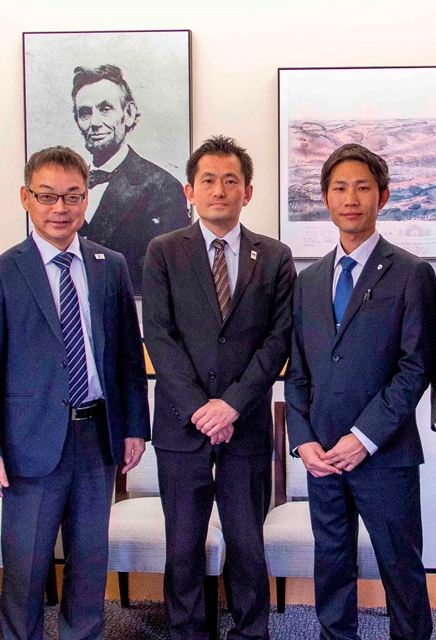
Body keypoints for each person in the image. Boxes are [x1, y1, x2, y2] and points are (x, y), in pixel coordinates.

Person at [0, 146, 150, 640]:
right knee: (25, 571)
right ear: (27, 198)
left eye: (72, 196)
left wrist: (135, 428)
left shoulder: (110, 265)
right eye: (47, 196)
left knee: (90, 568)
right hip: (29, 444)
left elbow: (129, 358)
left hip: (97, 440)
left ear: (86, 200)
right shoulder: (1, 272)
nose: (60, 208)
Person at [143, 135, 295, 640]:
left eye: (231, 180)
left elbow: (278, 340)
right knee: (183, 546)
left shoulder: (273, 256)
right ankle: (188, 632)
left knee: (247, 542)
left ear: (248, 191)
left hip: (245, 423)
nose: (219, 189)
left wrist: (230, 404)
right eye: (208, 179)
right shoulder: (163, 251)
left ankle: (252, 632)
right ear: (189, 190)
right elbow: (158, 336)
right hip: (181, 427)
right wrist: (200, 408)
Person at [285, 143, 436, 640]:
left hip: (383, 454)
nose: (351, 198)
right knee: (332, 569)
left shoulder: (412, 273)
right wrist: (303, 440)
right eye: (339, 188)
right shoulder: (306, 281)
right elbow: (300, 372)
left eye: (363, 188)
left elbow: (415, 369)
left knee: (402, 571)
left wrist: (363, 437)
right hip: (322, 456)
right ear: (326, 199)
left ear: (384, 196)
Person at [72, 64, 191, 293]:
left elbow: (163, 278)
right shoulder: (66, 187)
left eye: (105, 108)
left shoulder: (163, 188)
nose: (94, 122)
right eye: (85, 112)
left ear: (128, 114)